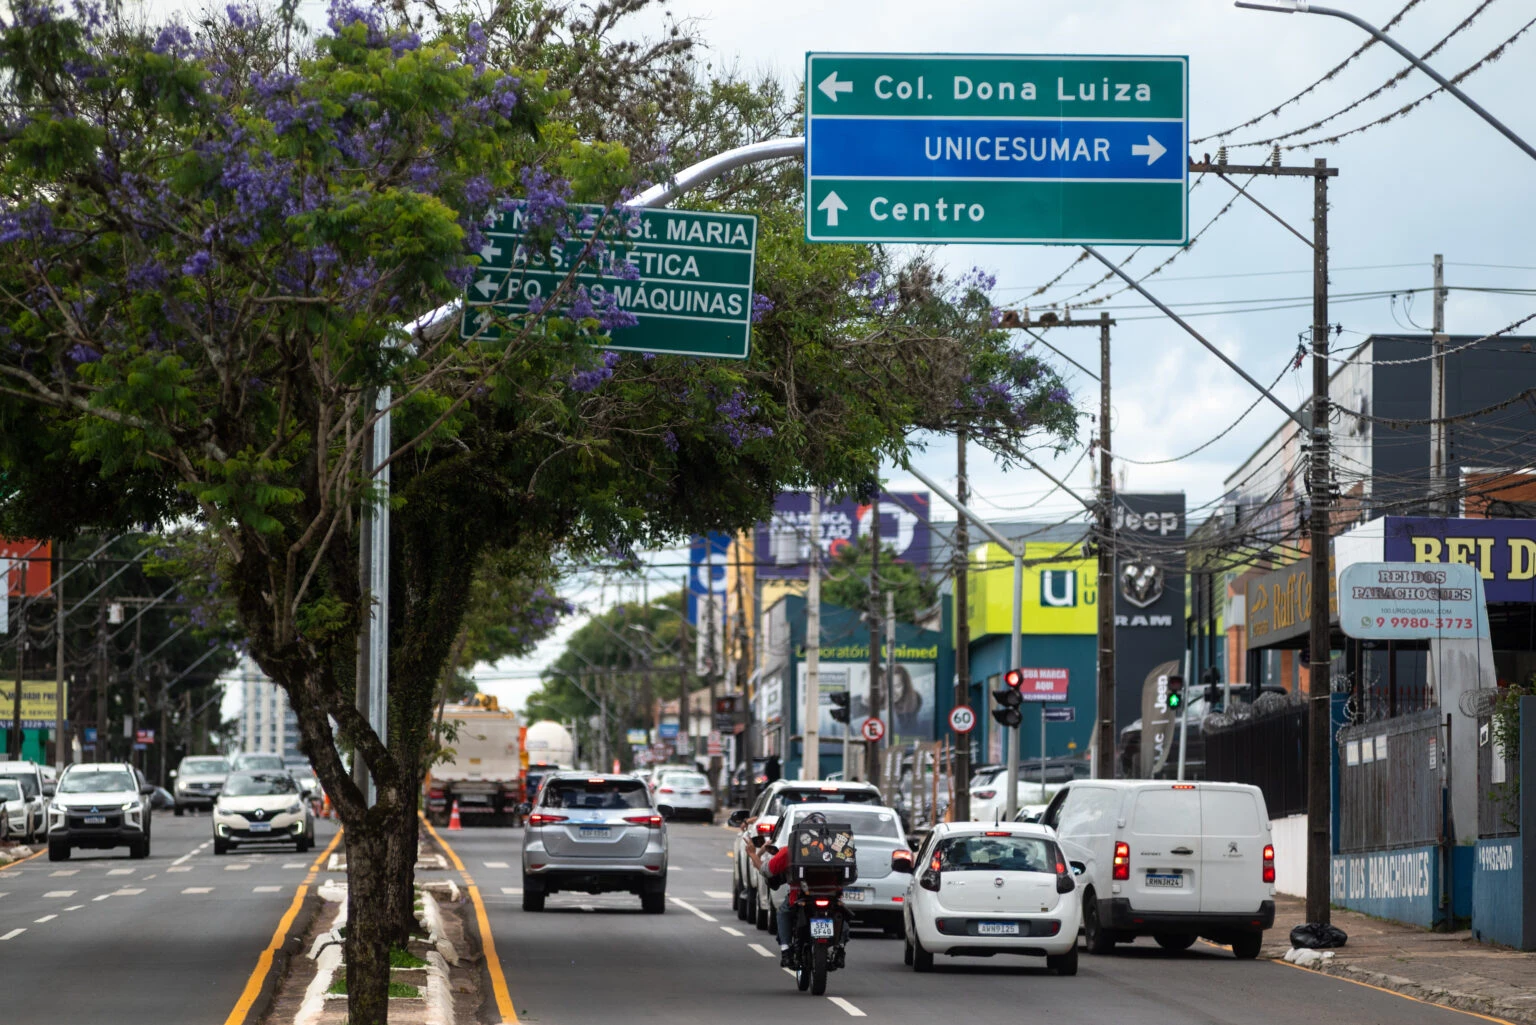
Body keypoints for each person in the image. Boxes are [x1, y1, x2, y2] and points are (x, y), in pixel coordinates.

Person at [746, 811, 829, 968]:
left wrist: (752, 853)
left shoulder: (791, 850)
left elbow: (765, 870)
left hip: (800, 896)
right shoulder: (834, 851)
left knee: (783, 912)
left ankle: (786, 951)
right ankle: (840, 947)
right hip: (831, 896)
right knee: (842, 913)